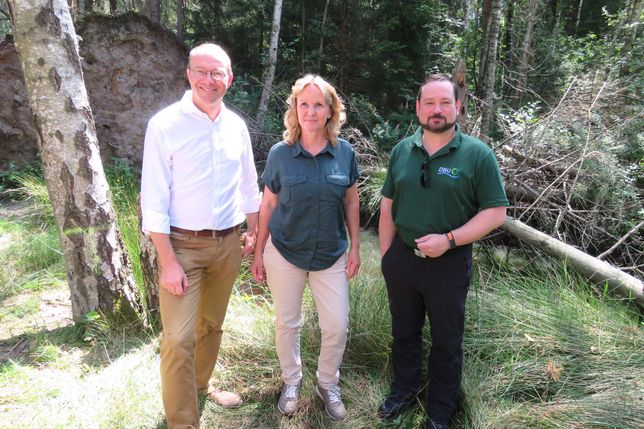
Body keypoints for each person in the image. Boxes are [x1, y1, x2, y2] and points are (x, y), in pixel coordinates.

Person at [140, 43, 261, 429]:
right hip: (182, 247)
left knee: (210, 326)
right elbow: (153, 200)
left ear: (230, 78)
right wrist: (169, 262)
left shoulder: (236, 126)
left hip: (228, 244)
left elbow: (248, 184)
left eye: (218, 73)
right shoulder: (164, 125)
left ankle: (201, 386)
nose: (209, 80)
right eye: (202, 71)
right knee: (177, 338)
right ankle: (182, 422)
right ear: (188, 74)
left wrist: (253, 231)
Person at [377, 74, 508, 429]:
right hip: (403, 261)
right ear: (418, 108)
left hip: (449, 264)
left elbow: (495, 212)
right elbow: (388, 203)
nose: (437, 110)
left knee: (446, 341)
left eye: (445, 103)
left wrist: (449, 240)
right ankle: (403, 391)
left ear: (458, 107)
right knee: (404, 333)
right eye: (430, 103)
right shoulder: (402, 150)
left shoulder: (477, 155)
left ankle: (440, 411)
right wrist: (388, 255)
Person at [250, 74, 360, 421]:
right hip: (284, 252)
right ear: (295, 110)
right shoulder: (280, 154)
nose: (310, 112)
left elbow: (351, 203)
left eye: (318, 105)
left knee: (337, 325)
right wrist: (257, 252)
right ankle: (292, 381)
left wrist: (356, 247)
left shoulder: (345, 154)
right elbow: (267, 205)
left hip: (330, 254)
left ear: (331, 111)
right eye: (304, 104)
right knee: (288, 323)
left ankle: (327, 383)